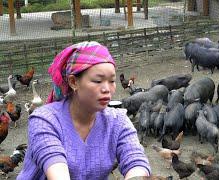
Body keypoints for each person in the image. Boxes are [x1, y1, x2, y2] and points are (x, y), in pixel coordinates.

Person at [17, 41, 151, 180]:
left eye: (111, 81)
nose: (107, 89)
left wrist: (136, 176)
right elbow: (55, 168)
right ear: (73, 82)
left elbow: (135, 159)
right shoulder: (45, 120)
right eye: (98, 81)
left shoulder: (118, 121)